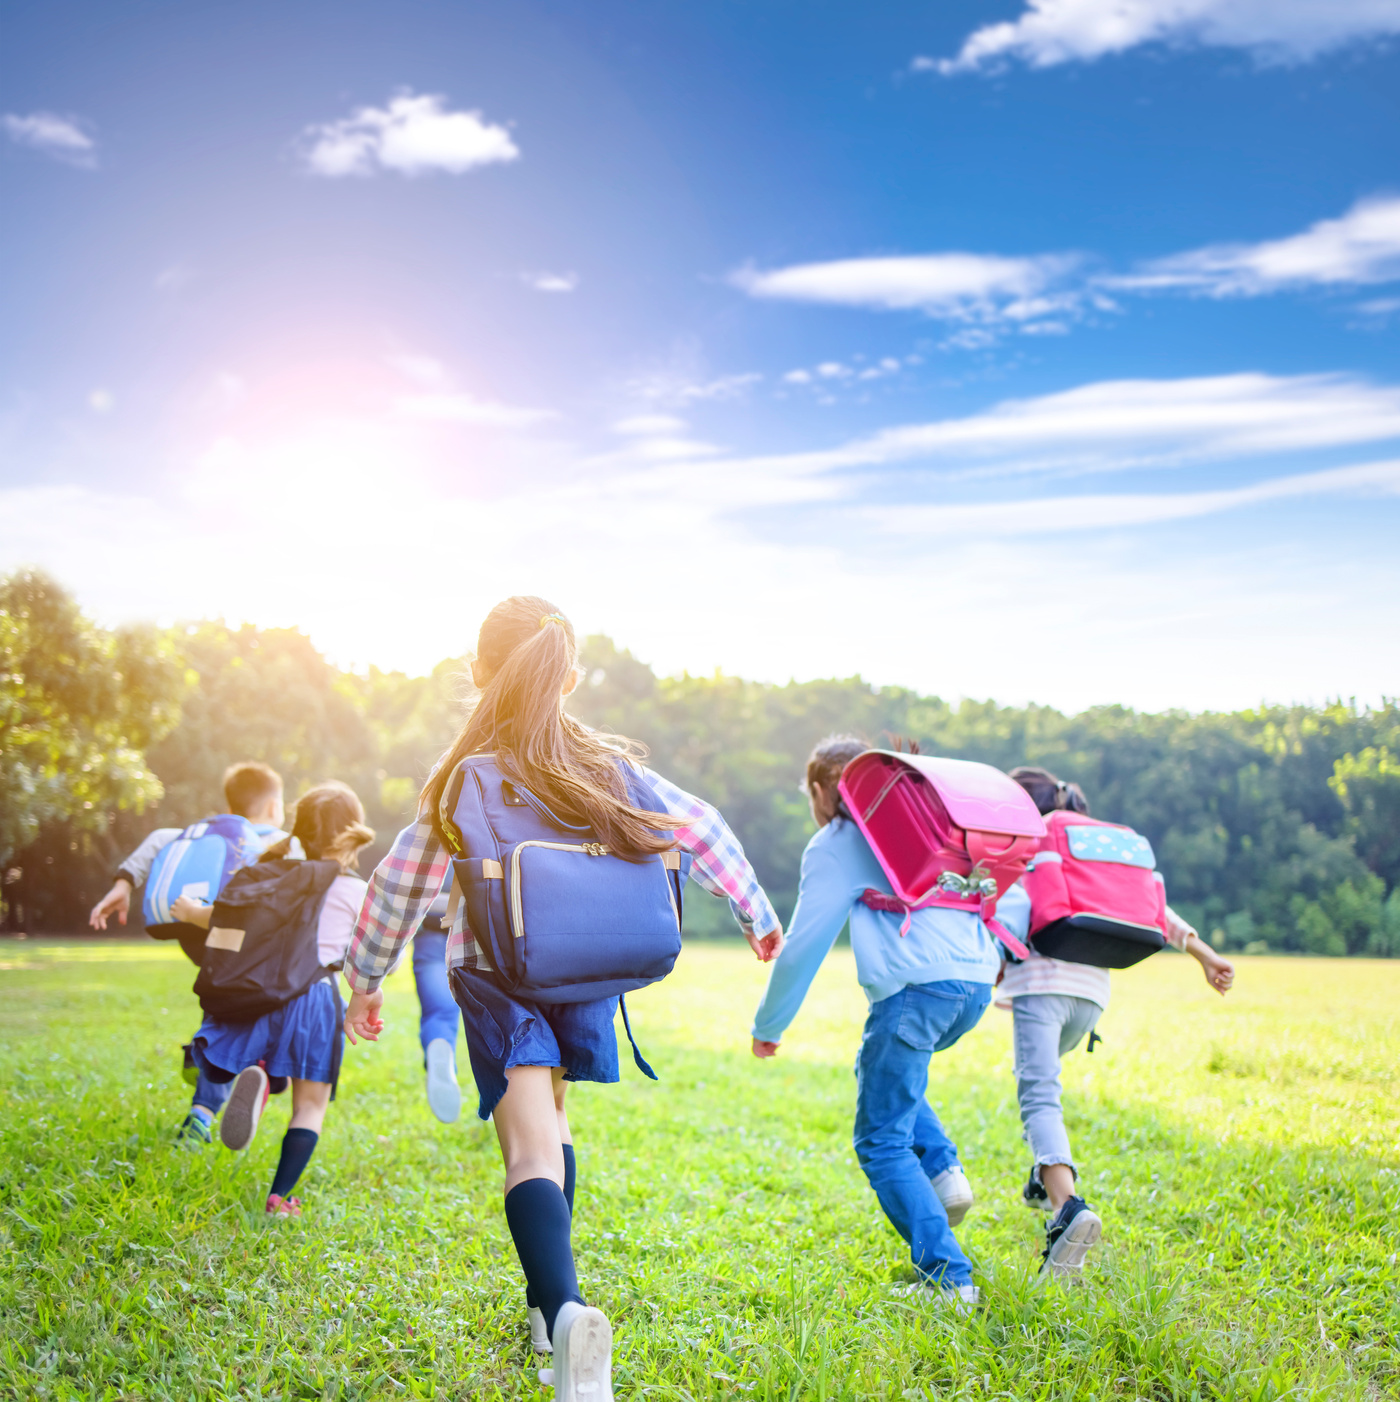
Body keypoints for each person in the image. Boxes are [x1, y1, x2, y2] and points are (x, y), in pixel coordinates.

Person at [341, 596, 781, 1402]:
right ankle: (549, 1319)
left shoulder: (466, 778)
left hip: (496, 977)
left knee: (528, 1152)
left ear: (477, 673)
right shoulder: (608, 769)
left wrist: (365, 981)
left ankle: (567, 1310)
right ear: (568, 678)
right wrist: (757, 913)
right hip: (588, 976)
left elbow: (397, 886)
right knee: (557, 1124)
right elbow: (702, 824)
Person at [750, 735, 1030, 1310]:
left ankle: (949, 1278)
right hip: (974, 984)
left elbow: (805, 944)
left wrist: (770, 1024)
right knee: (881, 1071)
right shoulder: (932, 824)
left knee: (880, 1140)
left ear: (826, 789)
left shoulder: (838, 840)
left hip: (916, 992)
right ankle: (945, 1172)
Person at [1001, 766, 1235, 1276]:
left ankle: (1067, 1207)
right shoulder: (1091, 851)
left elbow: (1005, 913)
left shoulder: (1026, 845)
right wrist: (1205, 955)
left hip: (1042, 989)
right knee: (1044, 1091)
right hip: (1091, 999)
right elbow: (1154, 909)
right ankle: (1044, 1179)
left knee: (1039, 1095)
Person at [171, 780, 374, 1217]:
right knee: (310, 1106)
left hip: (263, 996)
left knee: (267, 1053)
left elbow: (221, 915)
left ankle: (258, 1073)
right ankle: (278, 1198)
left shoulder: (273, 877)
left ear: (300, 830)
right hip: (316, 999)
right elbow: (373, 956)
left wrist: (188, 912)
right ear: (351, 832)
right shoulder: (356, 890)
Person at [89, 761, 287, 1145]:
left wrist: (123, 883)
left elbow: (158, 838)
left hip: (195, 936)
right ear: (273, 805)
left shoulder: (200, 833)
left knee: (222, 1006)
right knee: (256, 1011)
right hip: (244, 940)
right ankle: (247, 1071)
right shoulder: (273, 837)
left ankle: (206, 1086)